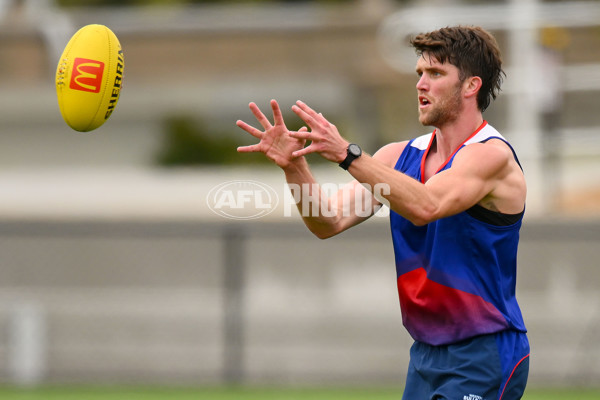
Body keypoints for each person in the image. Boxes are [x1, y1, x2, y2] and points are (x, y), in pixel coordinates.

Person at [236, 25, 529, 400]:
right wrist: (293, 166)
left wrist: (348, 154)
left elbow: (426, 205)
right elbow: (327, 220)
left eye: (436, 74)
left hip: (485, 352)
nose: (421, 84)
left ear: (471, 86)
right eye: (420, 74)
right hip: (426, 355)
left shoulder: (491, 155)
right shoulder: (397, 156)